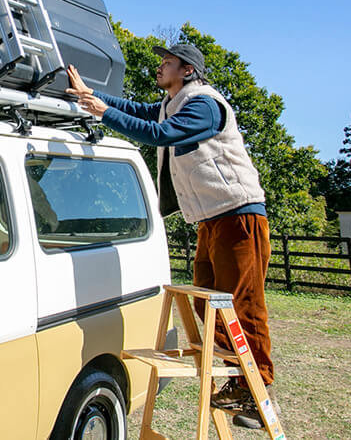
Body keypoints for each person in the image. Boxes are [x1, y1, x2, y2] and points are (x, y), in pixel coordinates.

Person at [66, 44, 275, 430]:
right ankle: (235, 378)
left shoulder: (203, 105)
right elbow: (142, 112)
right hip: (211, 220)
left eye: (168, 62)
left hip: (239, 215)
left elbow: (159, 134)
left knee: (242, 303)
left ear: (189, 70)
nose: (160, 66)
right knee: (208, 305)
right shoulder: (172, 103)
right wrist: (92, 97)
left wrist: (103, 112)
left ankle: (257, 385)